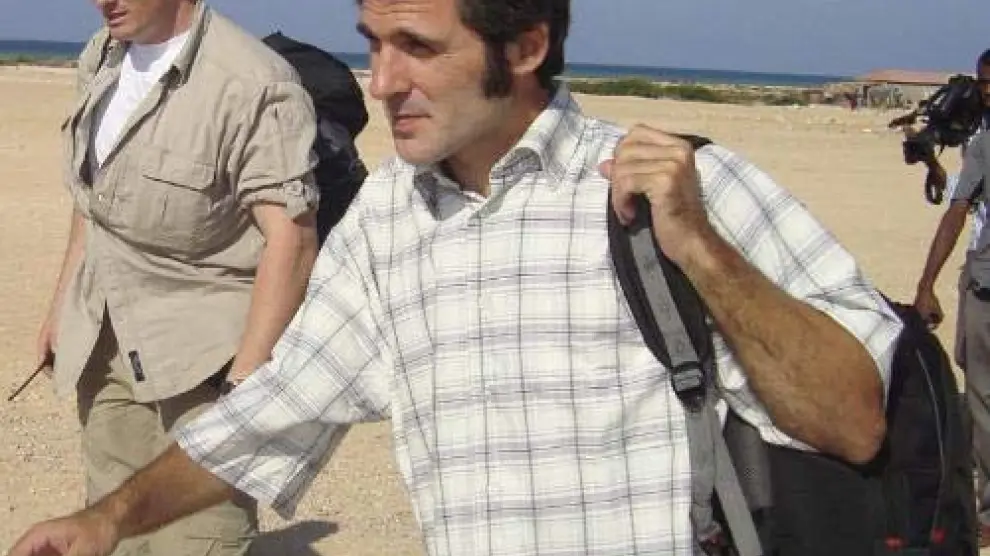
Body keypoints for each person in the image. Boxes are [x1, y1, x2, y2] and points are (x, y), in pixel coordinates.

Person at [8, 0, 902, 555]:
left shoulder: (676, 186)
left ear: (526, 46)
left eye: (418, 47)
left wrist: (700, 248)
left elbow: (855, 421)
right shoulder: (388, 221)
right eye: (373, 43)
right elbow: (272, 413)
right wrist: (110, 520)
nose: (381, 82)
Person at [29, 0, 321, 554]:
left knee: (199, 538)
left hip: (202, 365)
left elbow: (293, 239)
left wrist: (244, 386)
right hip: (105, 336)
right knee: (111, 525)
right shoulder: (102, 54)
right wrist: (60, 306)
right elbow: (93, 202)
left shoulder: (254, 82)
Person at [913, 48, 990, 546]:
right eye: (983, 83)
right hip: (979, 275)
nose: (986, 92)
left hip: (985, 281)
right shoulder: (978, 135)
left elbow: (957, 210)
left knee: (982, 397)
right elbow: (959, 198)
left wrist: (926, 284)